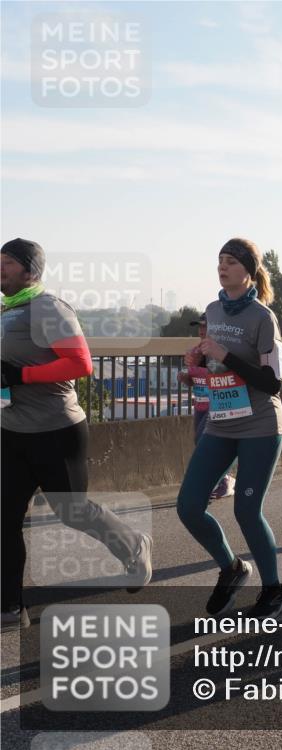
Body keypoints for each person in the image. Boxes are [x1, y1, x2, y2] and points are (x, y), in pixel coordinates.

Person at [1, 238, 152, 628]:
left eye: (7, 263)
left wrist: (21, 375)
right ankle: (10, 607)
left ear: (30, 271)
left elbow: (81, 364)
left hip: (55, 430)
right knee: (4, 518)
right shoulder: (5, 311)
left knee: (72, 512)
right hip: (11, 430)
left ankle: (133, 546)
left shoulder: (48, 308)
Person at [175, 238, 282, 617]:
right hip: (221, 422)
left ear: (249, 270)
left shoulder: (262, 317)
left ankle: (275, 589)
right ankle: (232, 567)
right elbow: (216, 371)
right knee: (189, 506)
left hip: (259, 424)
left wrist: (225, 355)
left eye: (231, 261)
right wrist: (195, 368)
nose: (222, 267)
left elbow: (272, 382)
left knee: (246, 510)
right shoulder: (212, 309)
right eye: (219, 261)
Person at [178, 312, 235, 502]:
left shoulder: (220, 351)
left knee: (205, 444)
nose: (201, 330)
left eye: (205, 326)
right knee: (199, 441)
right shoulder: (196, 352)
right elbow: (194, 380)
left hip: (217, 405)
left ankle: (218, 482)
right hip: (200, 405)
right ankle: (225, 479)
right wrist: (184, 377)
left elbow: (226, 375)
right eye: (199, 327)